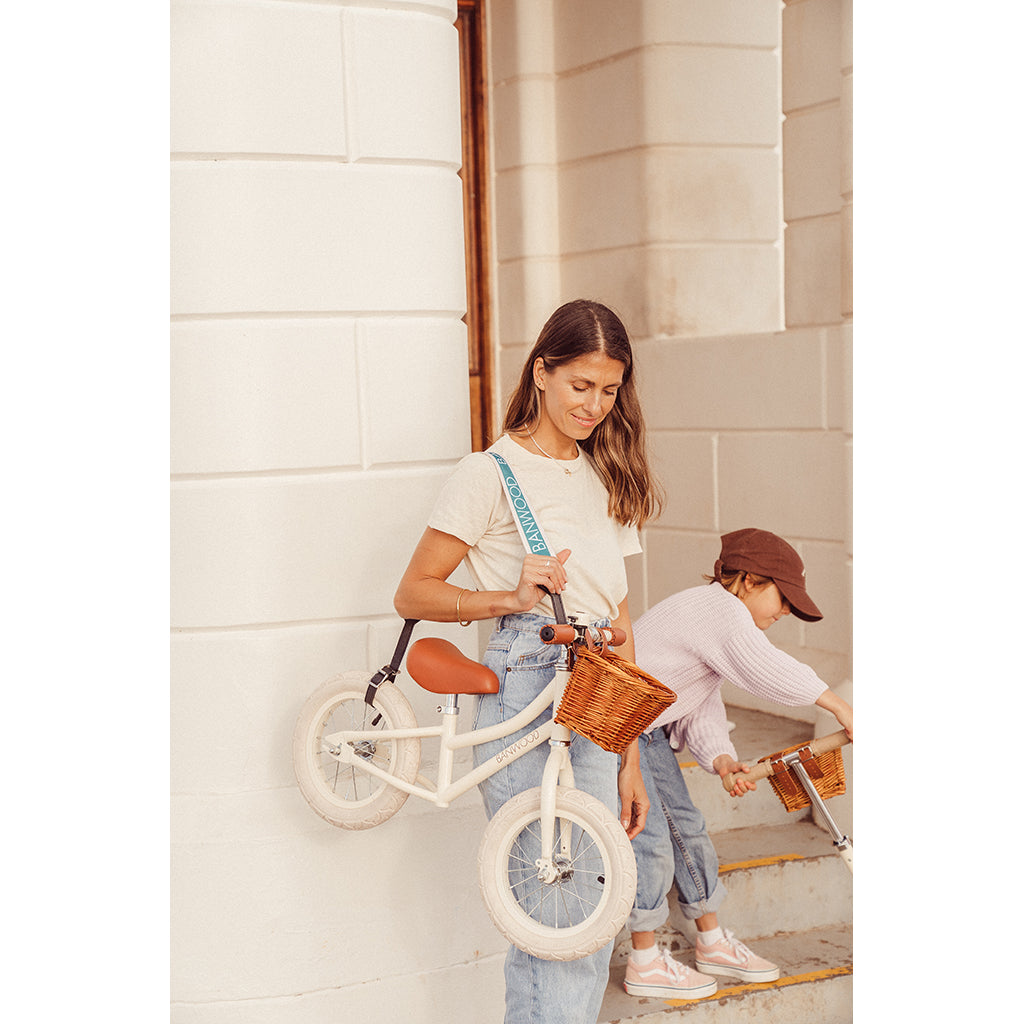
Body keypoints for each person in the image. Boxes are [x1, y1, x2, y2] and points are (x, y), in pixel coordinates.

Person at [394, 299, 663, 1024]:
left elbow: (620, 618)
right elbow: (413, 592)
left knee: (592, 905)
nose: (594, 406)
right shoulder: (490, 472)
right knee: (553, 910)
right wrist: (508, 596)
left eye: (609, 391)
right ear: (541, 372)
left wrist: (630, 754)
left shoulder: (609, 474)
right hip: (526, 680)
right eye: (580, 385)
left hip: (598, 682)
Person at [620, 528, 854, 1001]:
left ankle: (710, 941)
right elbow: (765, 667)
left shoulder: (712, 619)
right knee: (651, 841)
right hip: (620, 731)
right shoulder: (717, 609)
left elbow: (698, 700)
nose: (784, 611)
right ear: (747, 580)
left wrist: (721, 759)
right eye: (781, 597)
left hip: (645, 732)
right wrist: (838, 705)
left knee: (688, 828)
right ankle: (643, 959)